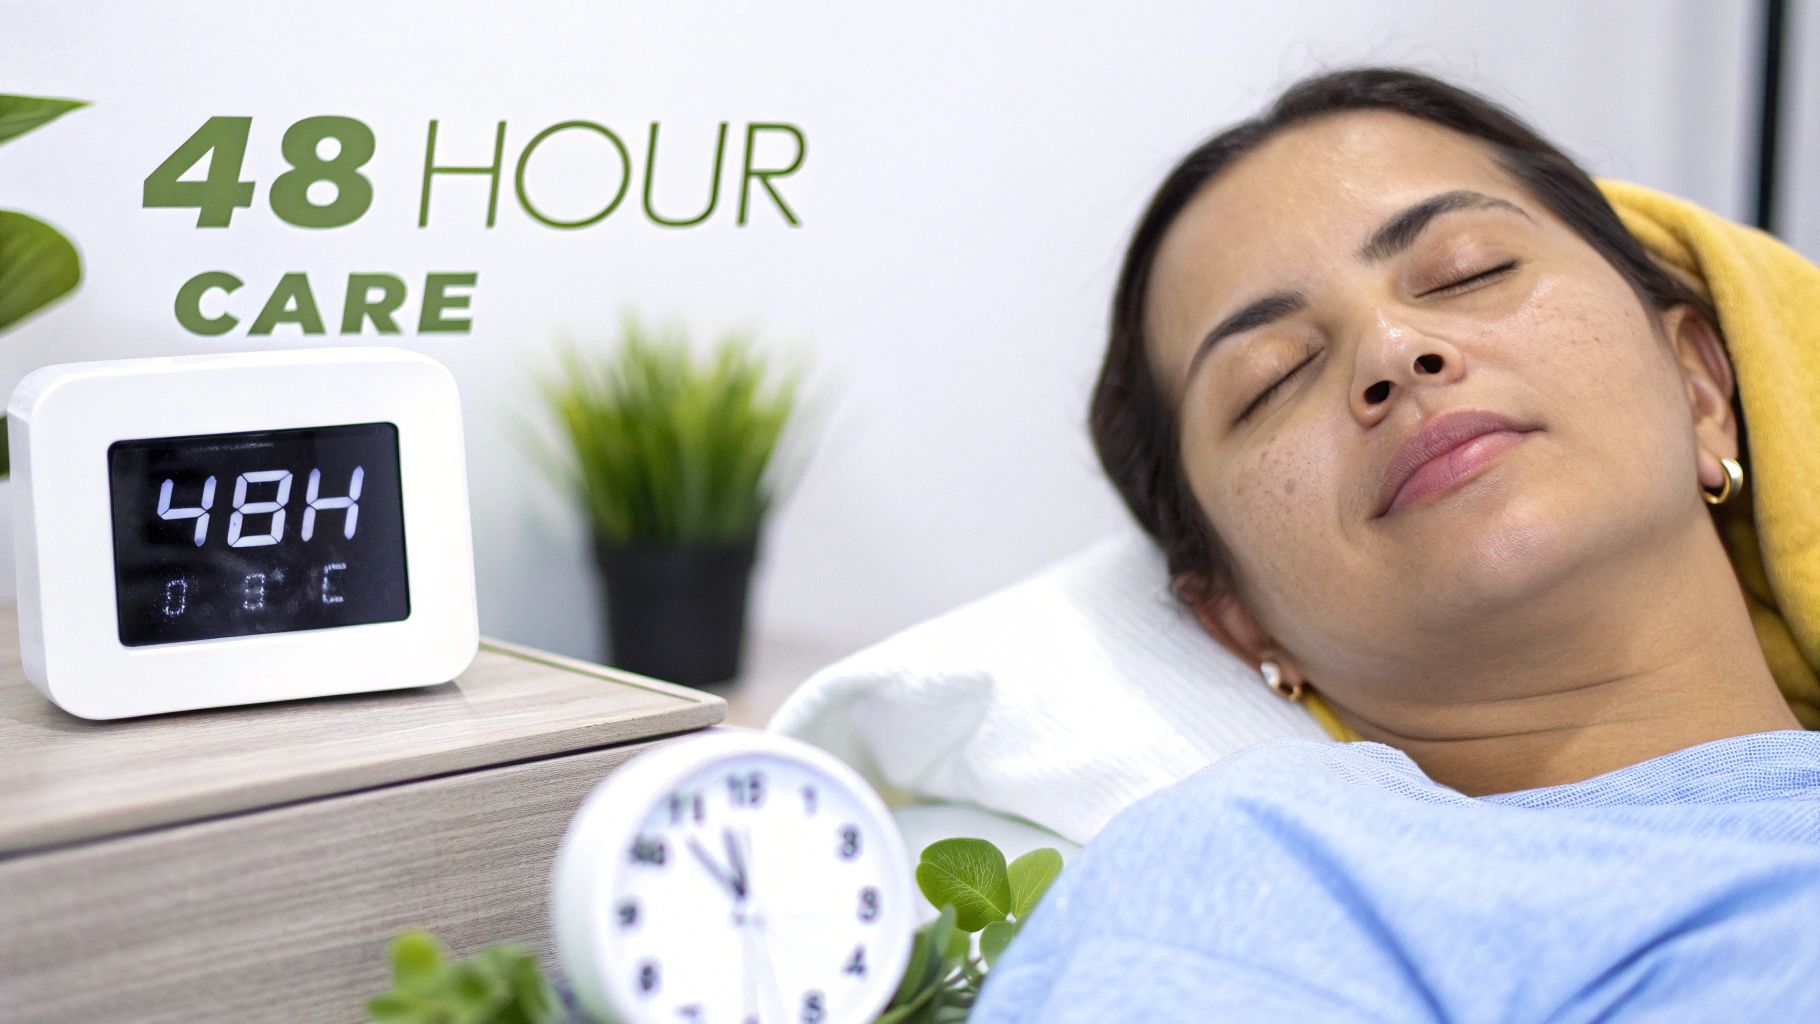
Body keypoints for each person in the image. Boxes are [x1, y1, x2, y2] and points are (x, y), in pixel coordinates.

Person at [968, 66, 1820, 1021]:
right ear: (1242, 623)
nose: (1392, 350)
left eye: (1470, 271)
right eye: (1273, 378)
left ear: (1703, 390)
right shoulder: (1272, 870)